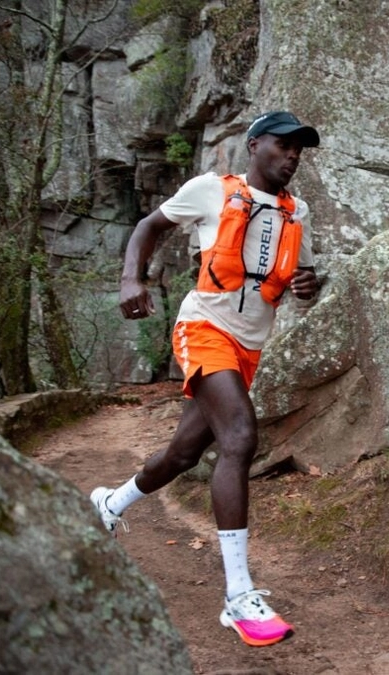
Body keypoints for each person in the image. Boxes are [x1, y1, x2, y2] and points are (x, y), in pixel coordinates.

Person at [89, 111, 321, 648]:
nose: (291, 157)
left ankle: (110, 504)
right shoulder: (211, 191)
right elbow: (150, 227)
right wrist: (131, 279)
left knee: (183, 454)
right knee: (239, 436)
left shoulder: (296, 213)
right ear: (255, 144)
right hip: (204, 326)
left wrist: (308, 285)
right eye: (283, 146)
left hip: (249, 345)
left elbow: (300, 279)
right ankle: (238, 596)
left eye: (299, 152)